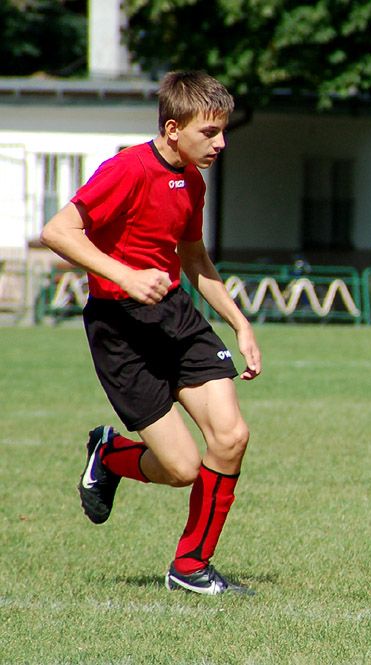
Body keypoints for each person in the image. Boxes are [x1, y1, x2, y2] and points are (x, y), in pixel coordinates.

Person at [40, 70, 261, 596]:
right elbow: (57, 231)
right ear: (171, 128)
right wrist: (125, 275)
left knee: (231, 437)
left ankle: (191, 567)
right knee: (182, 467)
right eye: (210, 133)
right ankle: (109, 455)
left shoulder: (193, 179)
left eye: (223, 131)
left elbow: (194, 259)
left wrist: (241, 323)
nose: (221, 143)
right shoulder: (127, 170)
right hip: (120, 328)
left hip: (176, 317)